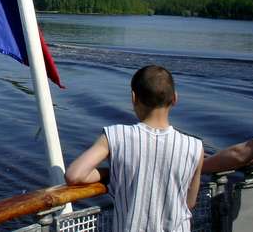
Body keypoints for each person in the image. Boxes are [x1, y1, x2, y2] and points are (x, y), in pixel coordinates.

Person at [65, 65, 204, 232]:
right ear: (174, 98)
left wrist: (113, 172)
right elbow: (189, 202)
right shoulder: (195, 147)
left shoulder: (116, 136)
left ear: (133, 98)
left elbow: (75, 175)